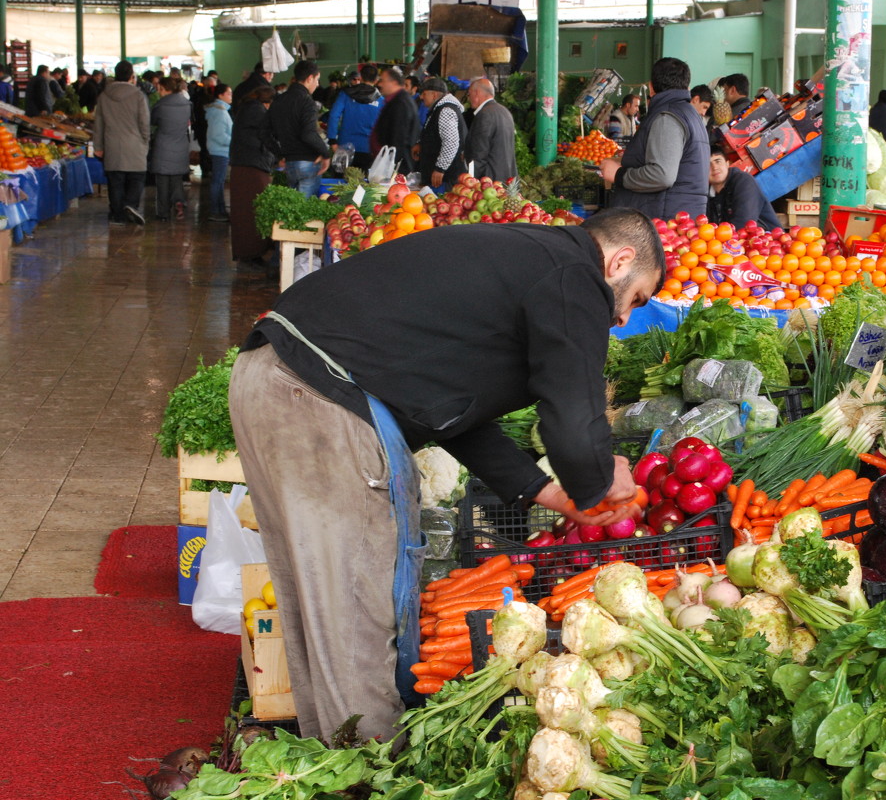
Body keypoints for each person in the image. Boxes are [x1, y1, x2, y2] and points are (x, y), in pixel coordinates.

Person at [227, 206, 663, 740]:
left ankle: (330, 761)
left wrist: (552, 494)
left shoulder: (526, 261)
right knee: (355, 609)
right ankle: (365, 770)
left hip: (270, 378)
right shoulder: (573, 273)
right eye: (635, 298)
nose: (623, 319)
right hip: (320, 399)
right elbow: (573, 408)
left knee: (319, 603)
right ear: (618, 261)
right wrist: (599, 480)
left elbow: (453, 416)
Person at [600, 57, 710, 220]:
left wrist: (619, 174)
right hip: (680, 218)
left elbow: (662, 175)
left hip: (665, 218)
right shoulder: (691, 115)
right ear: (687, 87)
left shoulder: (668, 116)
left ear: (651, 88)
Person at [93, 60, 150, 226]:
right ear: (131, 76)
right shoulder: (139, 95)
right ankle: (131, 205)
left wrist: (98, 146)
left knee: (115, 180)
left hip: (112, 144)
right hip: (135, 144)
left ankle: (117, 214)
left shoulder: (104, 96)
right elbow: (144, 122)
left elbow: (99, 123)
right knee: (137, 177)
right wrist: (145, 141)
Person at [229, 85, 280, 263]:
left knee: (248, 210)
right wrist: (280, 154)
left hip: (247, 165)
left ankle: (251, 252)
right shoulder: (256, 111)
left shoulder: (249, 108)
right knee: (250, 212)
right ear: (268, 102)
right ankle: (250, 254)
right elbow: (267, 136)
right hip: (250, 166)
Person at [268, 60, 332, 198]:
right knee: (305, 210)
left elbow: (264, 132)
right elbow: (308, 134)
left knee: (295, 209)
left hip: (290, 163)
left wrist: (279, 155)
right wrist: (325, 153)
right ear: (310, 78)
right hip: (308, 163)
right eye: (317, 79)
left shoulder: (279, 100)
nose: (317, 84)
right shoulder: (306, 101)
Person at [150, 76, 193, 222]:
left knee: (162, 181)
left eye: (160, 89)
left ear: (164, 89)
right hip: (181, 144)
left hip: (163, 145)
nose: (159, 92)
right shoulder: (187, 104)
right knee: (176, 178)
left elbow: (153, 121)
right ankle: (179, 201)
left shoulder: (160, 105)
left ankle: (163, 213)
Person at [326, 63, 384, 169]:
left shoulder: (345, 95)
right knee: (365, 184)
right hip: (369, 150)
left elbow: (334, 115)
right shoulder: (381, 101)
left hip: (344, 147)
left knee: (340, 184)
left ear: (360, 77)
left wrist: (332, 141)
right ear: (376, 80)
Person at [707, 146, 779, 230]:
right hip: (728, 241)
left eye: (718, 161)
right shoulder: (706, 193)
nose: (714, 167)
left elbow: (743, 224)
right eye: (708, 164)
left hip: (766, 239)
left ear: (727, 163)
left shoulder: (743, 181)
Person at [416, 77, 467, 190]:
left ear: (434, 95)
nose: (421, 97)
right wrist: (421, 143)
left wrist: (440, 169)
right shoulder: (439, 109)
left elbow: (451, 143)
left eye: (424, 94)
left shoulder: (446, 111)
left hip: (445, 180)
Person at [464, 77, 517, 183]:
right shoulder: (504, 111)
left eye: (469, 94)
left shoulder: (484, 115)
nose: (468, 99)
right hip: (507, 178)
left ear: (477, 93)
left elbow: (478, 154)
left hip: (489, 180)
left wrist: (471, 181)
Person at [369, 67, 421, 174]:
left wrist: (391, 166)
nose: (380, 84)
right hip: (390, 163)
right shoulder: (396, 101)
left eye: (382, 81)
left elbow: (399, 138)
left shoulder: (401, 103)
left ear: (393, 82)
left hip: (396, 167)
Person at [205, 83, 234, 221]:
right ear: (220, 95)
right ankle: (216, 211)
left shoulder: (220, 110)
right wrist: (234, 142)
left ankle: (220, 210)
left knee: (219, 181)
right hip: (220, 150)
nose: (231, 96)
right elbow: (219, 135)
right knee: (218, 181)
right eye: (228, 93)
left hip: (220, 150)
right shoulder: (220, 112)